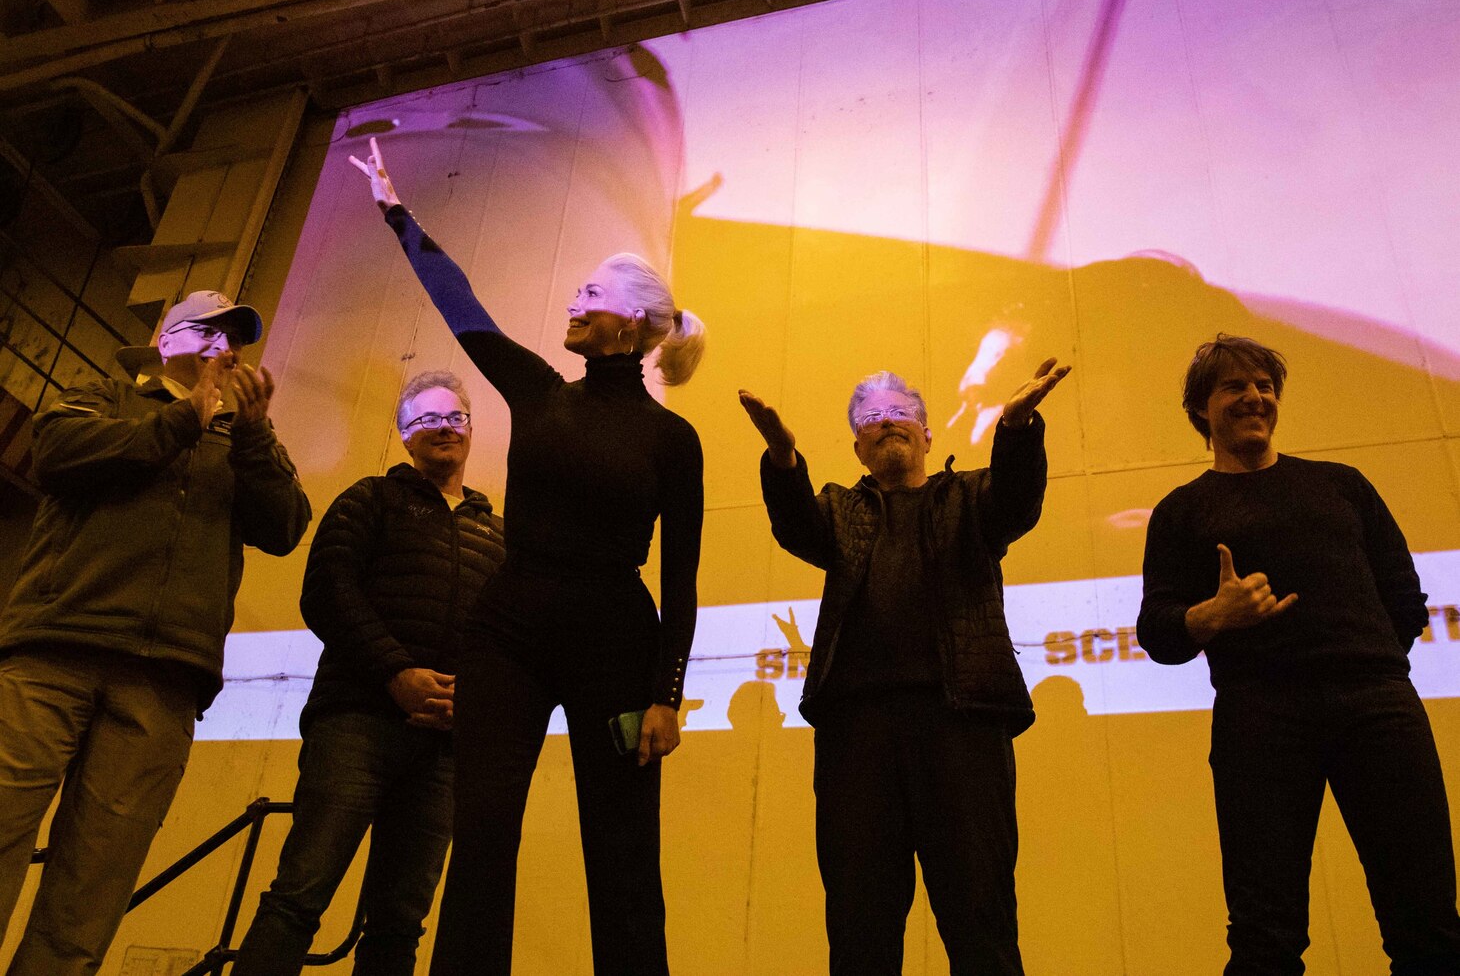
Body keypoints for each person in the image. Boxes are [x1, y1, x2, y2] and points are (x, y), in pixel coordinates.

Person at [349, 137, 706, 976]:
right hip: (506, 633)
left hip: (618, 647)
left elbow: (682, 576)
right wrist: (396, 211)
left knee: (622, 854)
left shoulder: (671, 437)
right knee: (480, 841)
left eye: (590, 291)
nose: (573, 300)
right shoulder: (540, 391)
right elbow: (460, 304)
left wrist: (667, 695)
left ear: (632, 319)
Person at [0, 290, 311, 976]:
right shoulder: (103, 395)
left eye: (233, 339)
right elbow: (54, 450)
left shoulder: (242, 442)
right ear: (165, 338)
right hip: (55, 653)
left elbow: (286, 524)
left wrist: (253, 435)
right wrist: (181, 419)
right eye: (208, 331)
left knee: (93, 887)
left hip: (164, 682)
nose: (223, 348)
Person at [1137, 334, 1460, 976]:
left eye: (1265, 386)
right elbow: (1158, 633)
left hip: (1379, 710)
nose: (1256, 397)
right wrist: (1214, 615)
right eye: (1236, 387)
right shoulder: (1181, 512)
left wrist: (1361, 663)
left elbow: (1403, 597)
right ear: (1201, 409)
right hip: (1259, 720)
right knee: (1265, 935)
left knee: (1427, 921)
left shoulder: (1342, 485)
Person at [739, 358, 1069, 976]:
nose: (887, 422)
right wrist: (783, 456)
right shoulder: (837, 509)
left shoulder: (971, 498)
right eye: (872, 417)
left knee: (981, 920)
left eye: (901, 413)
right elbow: (794, 526)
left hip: (963, 723)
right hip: (856, 737)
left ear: (927, 433)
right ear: (858, 446)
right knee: (860, 928)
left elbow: (1019, 500)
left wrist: (1019, 426)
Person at [232, 370, 504, 975]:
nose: (443, 427)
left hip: (443, 749)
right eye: (426, 418)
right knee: (298, 899)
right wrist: (396, 674)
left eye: (454, 416)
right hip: (356, 724)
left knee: (400, 924)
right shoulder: (368, 498)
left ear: (470, 428)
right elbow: (328, 592)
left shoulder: (496, 533)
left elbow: (502, 644)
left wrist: (473, 701)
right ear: (404, 436)